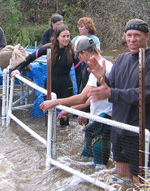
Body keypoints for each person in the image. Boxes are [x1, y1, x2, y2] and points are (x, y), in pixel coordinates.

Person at [87, 18, 150, 182]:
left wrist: (110, 92)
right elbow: (112, 87)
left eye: (137, 35)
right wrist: (102, 79)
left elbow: (146, 94)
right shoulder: (121, 59)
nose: (132, 40)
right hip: (120, 127)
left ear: (147, 36)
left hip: (141, 130)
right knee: (122, 176)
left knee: (140, 180)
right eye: (129, 35)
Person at [40, 37, 113, 166]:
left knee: (99, 165)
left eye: (78, 56)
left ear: (84, 53)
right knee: (85, 157)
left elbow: (82, 97)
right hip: (97, 116)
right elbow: (91, 97)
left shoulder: (101, 67)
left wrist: (54, 102)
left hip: (104, 118)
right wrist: (73, 110)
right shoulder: (103, 65)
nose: (78, 59)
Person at [11, 24, 75, 126]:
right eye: (63, 36)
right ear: (57, 37)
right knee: (49, 118)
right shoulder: (49, 48)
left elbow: (80, 71)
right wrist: (18, 69)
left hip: (66, 86)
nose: (66, 39)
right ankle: (47, 140)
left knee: (65, 120)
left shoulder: (71, 51)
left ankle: (64, 138)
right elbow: (31, 57)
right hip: (50, 85)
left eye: (68, 36)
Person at [71, 17, 101, 93]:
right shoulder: (76, 38)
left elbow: (96, 52)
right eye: (79, 27)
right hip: (79, 66)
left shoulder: (94, 39)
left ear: (88, 27)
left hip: (89, 65)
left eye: (82, 26)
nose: (79, 29)